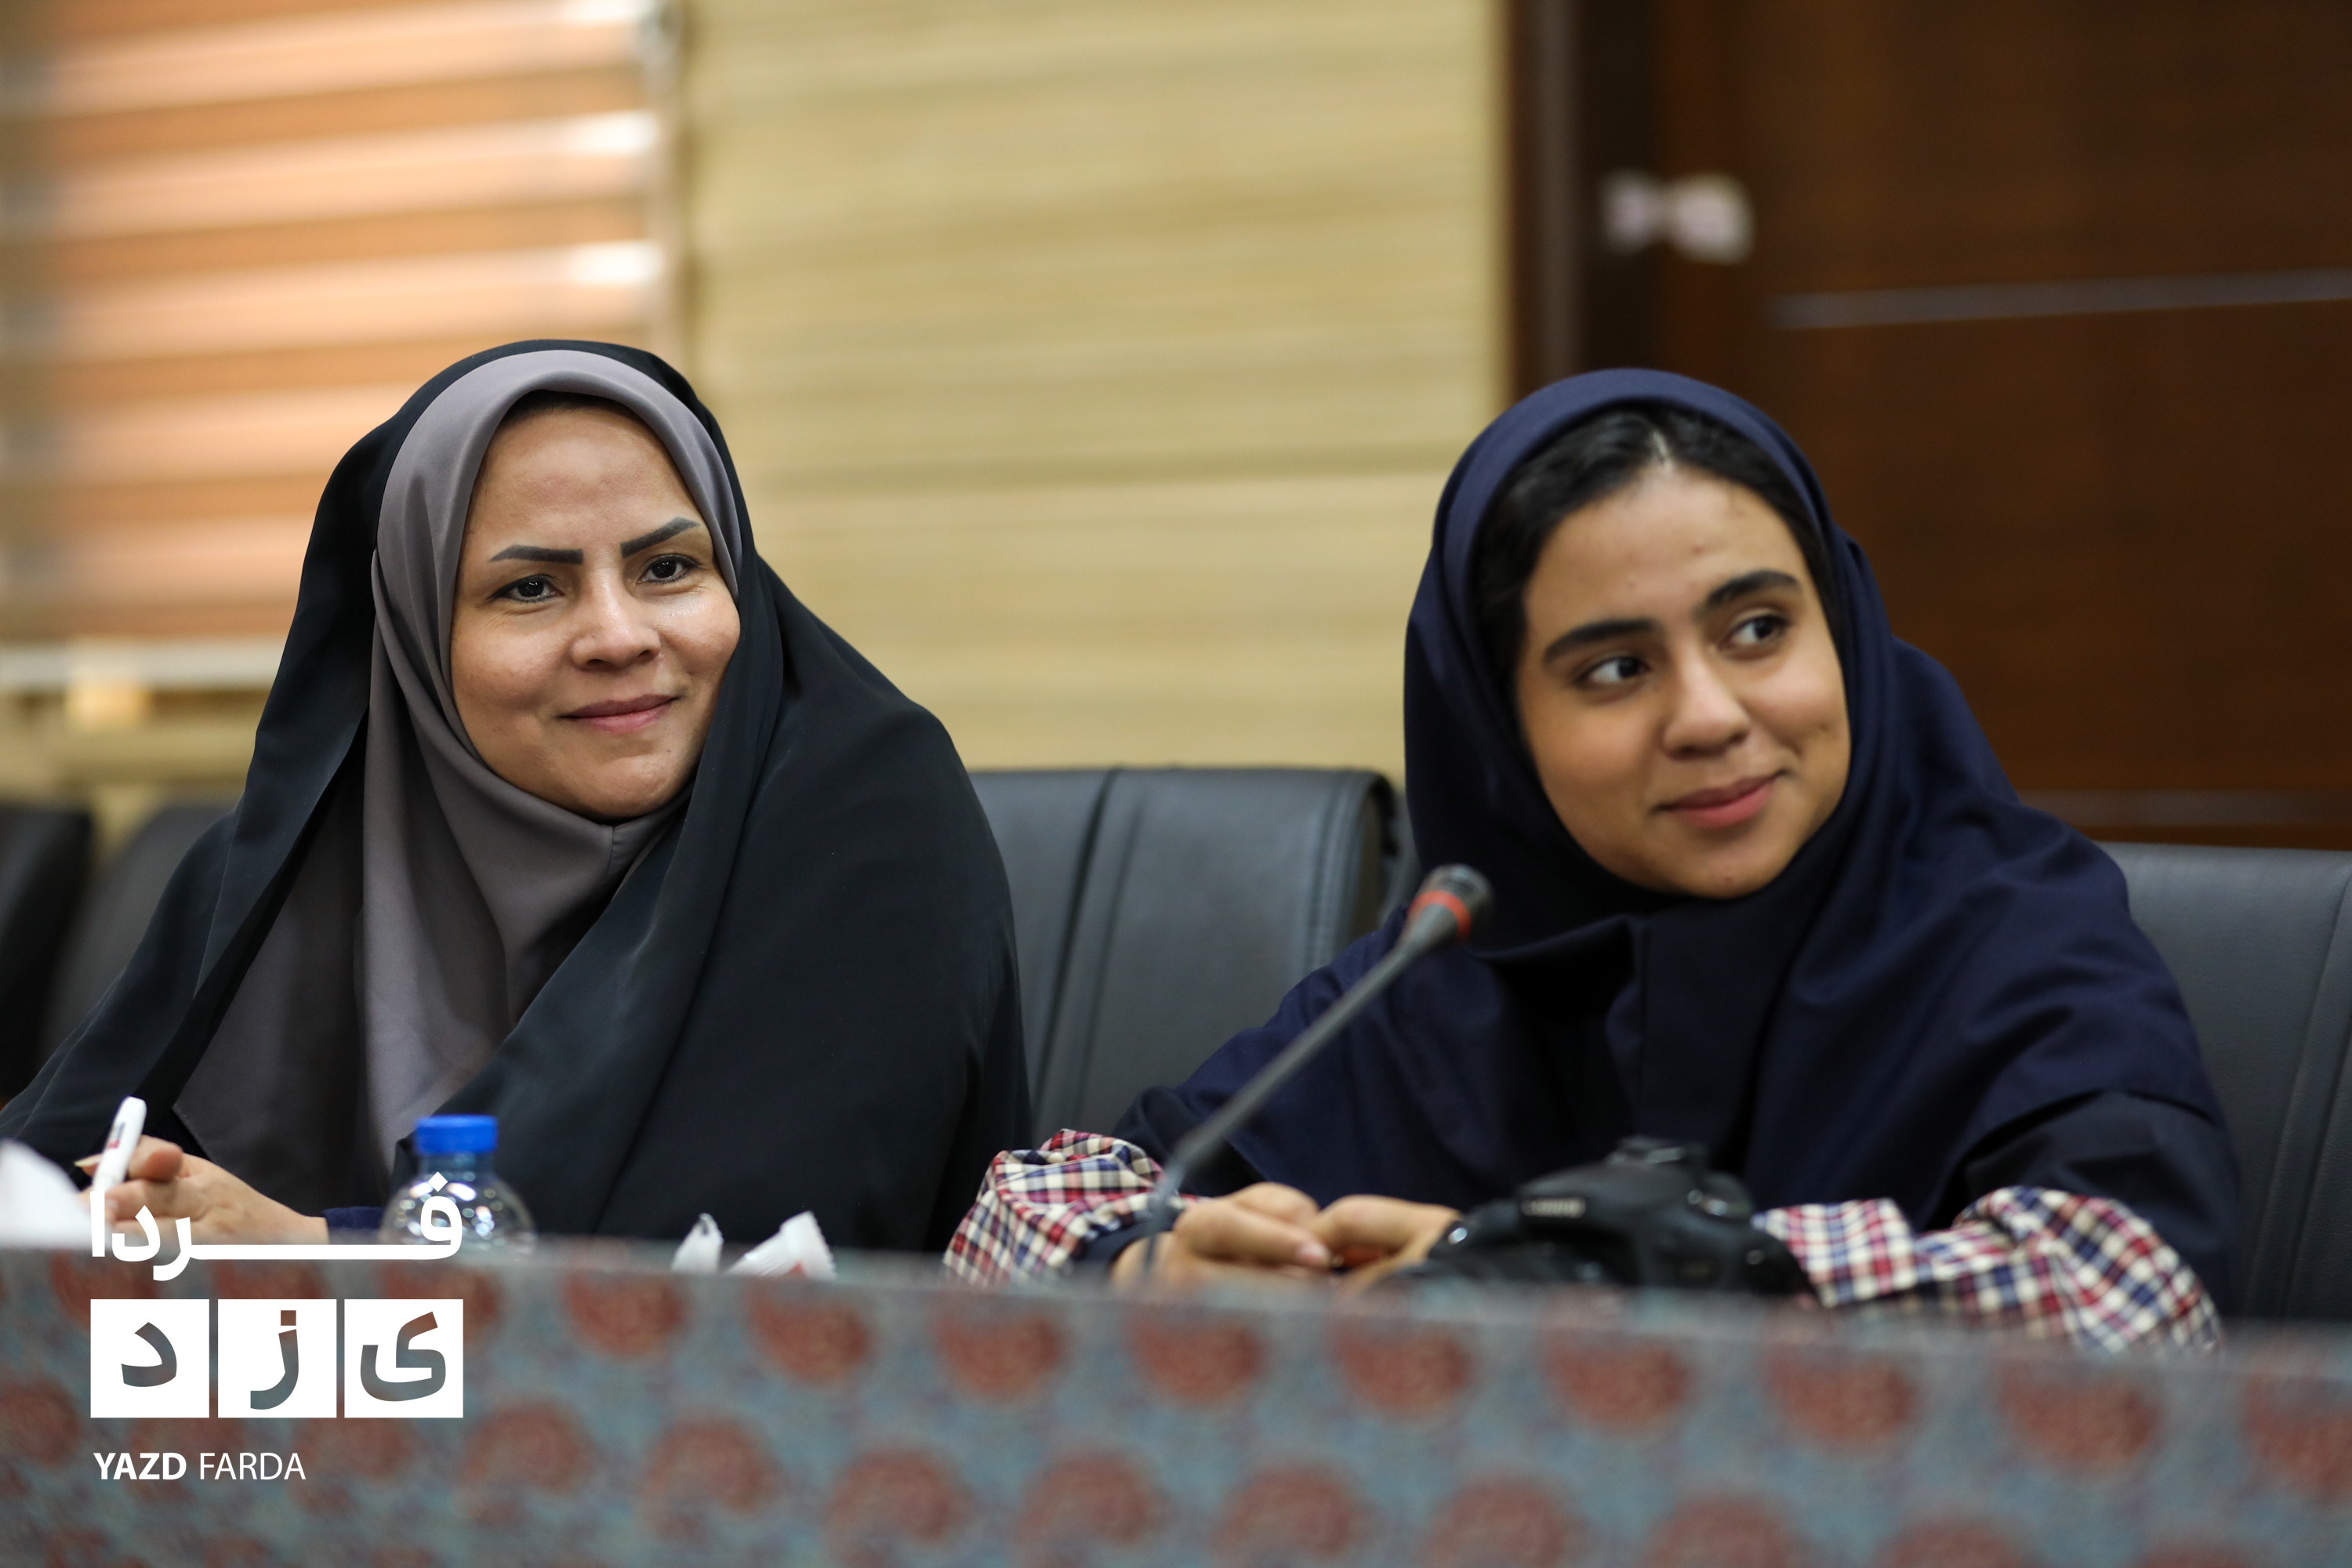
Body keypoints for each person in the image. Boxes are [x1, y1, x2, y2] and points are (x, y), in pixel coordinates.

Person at [949, 371, 2237, 1349]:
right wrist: (1142, 1268)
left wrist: (1609, 1278)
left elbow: (2134, 1297)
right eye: (1616, 668)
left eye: (1757, 629)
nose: (1709, 716)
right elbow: (1025, 1214)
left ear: (1841, 627)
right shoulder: (1456, 974)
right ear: (1500, 732)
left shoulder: (2007, 934)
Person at [2, 341, 1029, 1251]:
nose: (620, 636)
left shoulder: (867, 819)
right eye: (530, 588)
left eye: (669, 567)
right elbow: (54, 1175)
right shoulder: (287, 865)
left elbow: (740, 1257)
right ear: (412, 639)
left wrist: (319, 1251)